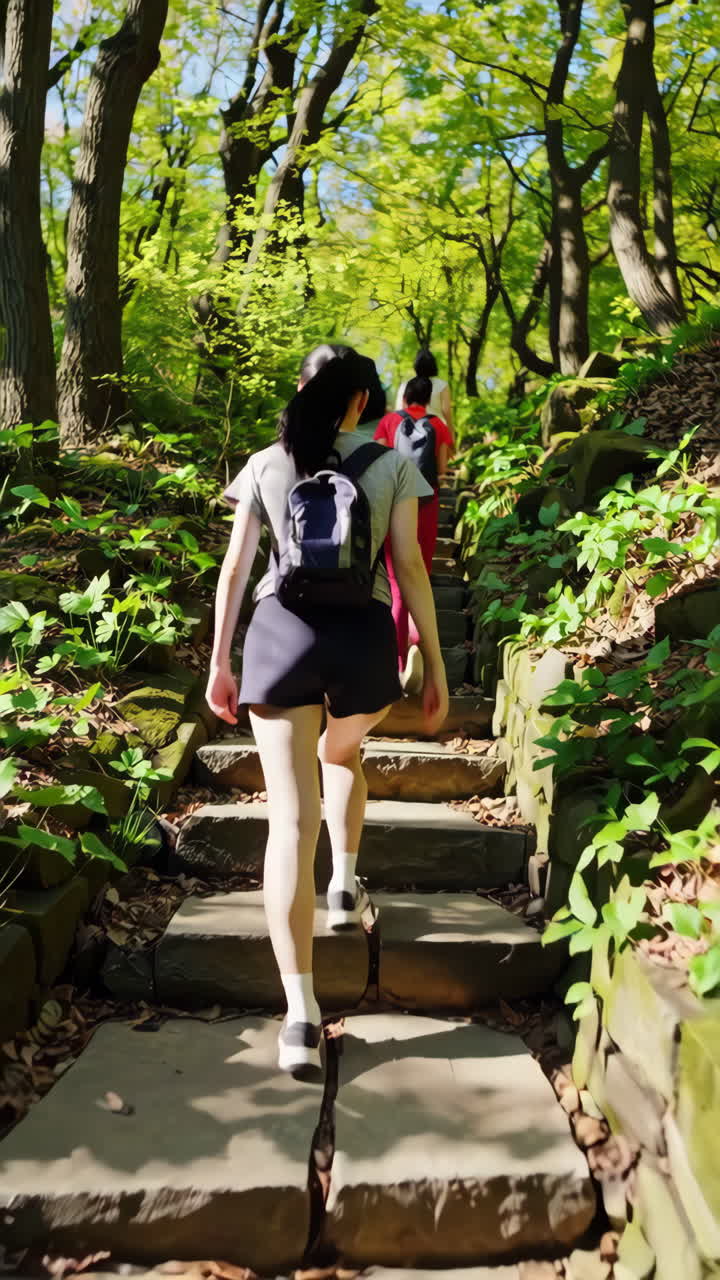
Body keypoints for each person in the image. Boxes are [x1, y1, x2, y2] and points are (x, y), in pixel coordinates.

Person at [205, 346, 449, 1079]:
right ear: (360, 402)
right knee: (341, 753)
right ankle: (344, 884)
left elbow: (237, 567)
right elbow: (409, 567)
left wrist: (220, 662)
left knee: (289, 820)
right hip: (362, 645)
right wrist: (435, 663)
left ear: (304, 390)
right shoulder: (390, 464)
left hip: (279, 638)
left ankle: (300, 1017)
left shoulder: (264, 463)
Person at [375, 375, 453, 692]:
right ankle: (418, 640)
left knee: (396, 585)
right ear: (429, 397)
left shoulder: (389, 421)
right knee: (421, 575)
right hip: (428, 503)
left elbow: (379, 463)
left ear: (406, 396)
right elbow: (443, 470)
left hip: (395, 504)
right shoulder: (439, 425)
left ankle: (396, 664)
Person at [395, 347, 455, 442]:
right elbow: (446, 412)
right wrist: (451, 435)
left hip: (411, 433)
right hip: (437, 432)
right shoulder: (442, 385)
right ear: (433, 365)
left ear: (416, 365)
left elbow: (399, 410)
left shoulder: (406, 384)